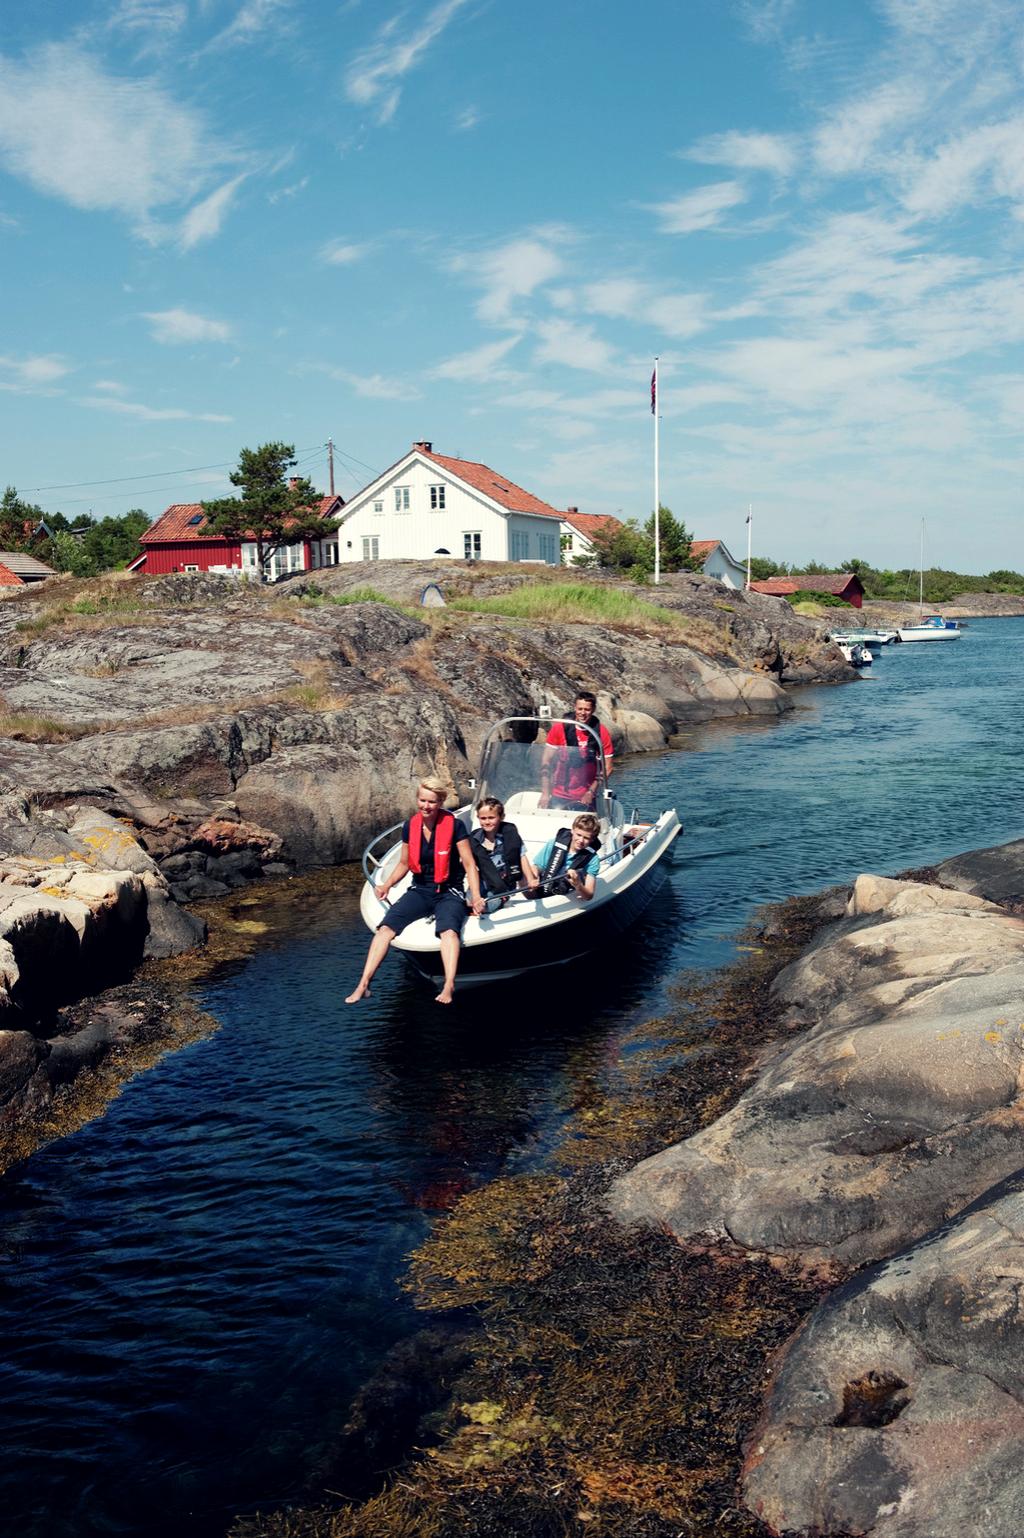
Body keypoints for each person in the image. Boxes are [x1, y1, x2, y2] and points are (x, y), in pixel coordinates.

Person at [345, 777, 485, 1006]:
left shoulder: (455, 826)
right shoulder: (411, 826)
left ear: (440, 802)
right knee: (385, 929)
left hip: (449, 890)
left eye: (431, 802)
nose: (426, 806)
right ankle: (364, 984)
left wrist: (476, 895)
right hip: (420, 889)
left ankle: (449, 984)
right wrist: (387, 884)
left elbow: (469, 864)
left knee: (448, 931)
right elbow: (403, 863)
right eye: (422, 800)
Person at [538, 691, 613, 810]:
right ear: (575, 708)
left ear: (593, 710)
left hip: (586, 795)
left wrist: (591, 792)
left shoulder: (601, 733)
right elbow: (546, 761)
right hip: (559, 793)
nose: (583, 713)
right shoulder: (560, 728)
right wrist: (546, 793)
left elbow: (608, 768)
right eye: (580, 709)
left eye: (587, 709)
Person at [470, 797, 539, 908]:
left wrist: (530, 879)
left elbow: (522, 857)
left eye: (491, 818)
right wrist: (476, 896)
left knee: (488, 906)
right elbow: (470, 867)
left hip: (504, 883)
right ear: (478, 818)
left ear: (501, 817)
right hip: (484, 881)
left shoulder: (510, 835)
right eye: (483, 818)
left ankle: (503, 899)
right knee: (469, 903)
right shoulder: (474, 840)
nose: (487, 822)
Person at [533, 812, 602, 901]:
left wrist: (578, 884)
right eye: (578, 835)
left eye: (586, 838)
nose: (581, 840)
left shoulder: (593, 859)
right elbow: (537, 867)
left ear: (592, 839)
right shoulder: (554, 844)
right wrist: (534, 877)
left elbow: (589, 896)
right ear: (572, 831)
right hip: (542, 888)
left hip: (567, 894)